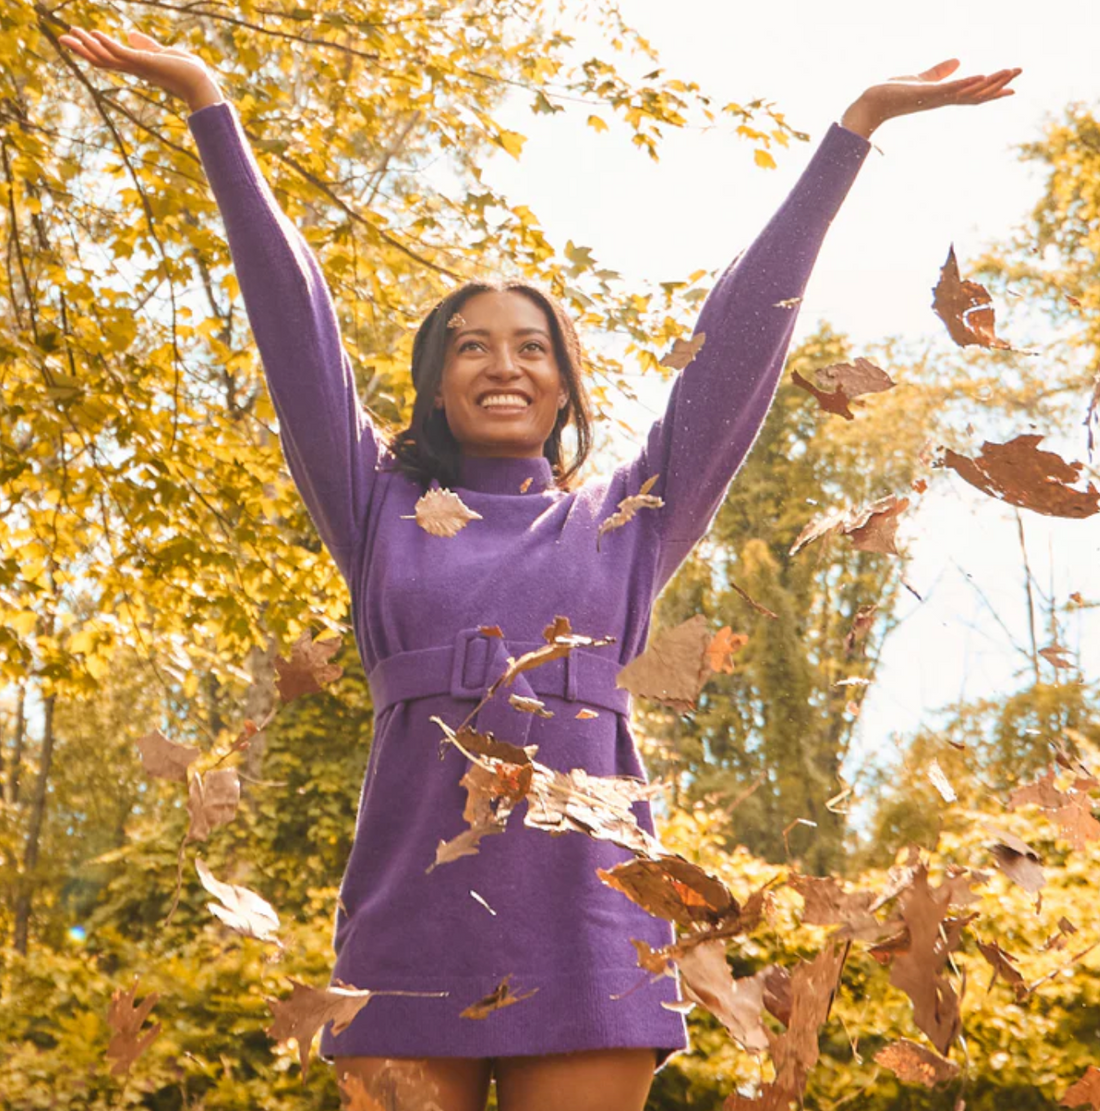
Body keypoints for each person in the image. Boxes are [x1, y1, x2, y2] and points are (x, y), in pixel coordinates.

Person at [59, 24, 1019, 1111]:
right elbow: (296, 329)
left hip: (587, 912)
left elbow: (742, 339)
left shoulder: (626, 519)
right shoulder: (378, 506)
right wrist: (206, 106)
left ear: (564, 387)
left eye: (532, 347)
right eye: (470, 343)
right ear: (431, 385)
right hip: (410, 910)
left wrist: (852, 130)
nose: (502, 362)